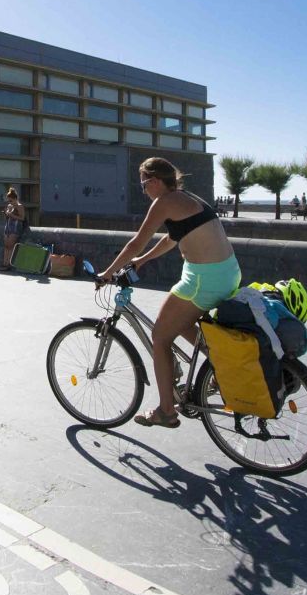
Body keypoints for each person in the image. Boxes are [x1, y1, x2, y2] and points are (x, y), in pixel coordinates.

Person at [99, 157, 240, 428]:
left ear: (154, 181)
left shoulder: (163, 202)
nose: (143, 190)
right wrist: (144, 260)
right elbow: (172, 238)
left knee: (160, 337)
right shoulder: (185, 198)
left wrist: (107, 273)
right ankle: (222, 366)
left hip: (203, 278)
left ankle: (166, 411)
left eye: (143, 184)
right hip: (227, 272)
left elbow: (135, 243)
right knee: (181, 323)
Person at [0, 187, 27, 270]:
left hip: (15, 227)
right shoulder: (9, 206)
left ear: (15, 199)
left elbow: (22, 218)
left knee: (10, 246)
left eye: (11, 200)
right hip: (8, 226)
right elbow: (8, 216)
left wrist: (11, 215)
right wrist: (6, 213)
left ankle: (8, 265)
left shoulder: (19, 206)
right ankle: (4, 263)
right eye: (8, 200)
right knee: (6, 245)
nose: (9, 202)